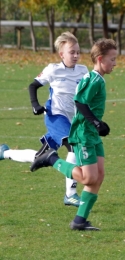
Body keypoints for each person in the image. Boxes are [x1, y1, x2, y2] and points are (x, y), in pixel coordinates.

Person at [30, 38, 117, 231]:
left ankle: (79, 221)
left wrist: (99, 124)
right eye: (112, 59)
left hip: (92, 133)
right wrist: (96, 122)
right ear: (101, 59)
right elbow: (80, 102)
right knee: (87, 179)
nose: (115, 63)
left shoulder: (96, 78)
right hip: (83, 134)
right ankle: (51, 159)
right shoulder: (93, 79)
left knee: (99, 176)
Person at [0, 31, 88, 207]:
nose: (76, 55)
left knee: (40, 157)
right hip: (55, 116)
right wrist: (35, 105)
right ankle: (70, 194)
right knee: (74, 146)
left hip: (72, 120)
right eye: (72, 52)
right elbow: (33, 85)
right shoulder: (53, 69)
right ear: (61, 54)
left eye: (78, 52)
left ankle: (4, 152)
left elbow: (84, 96)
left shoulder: (83, 70)